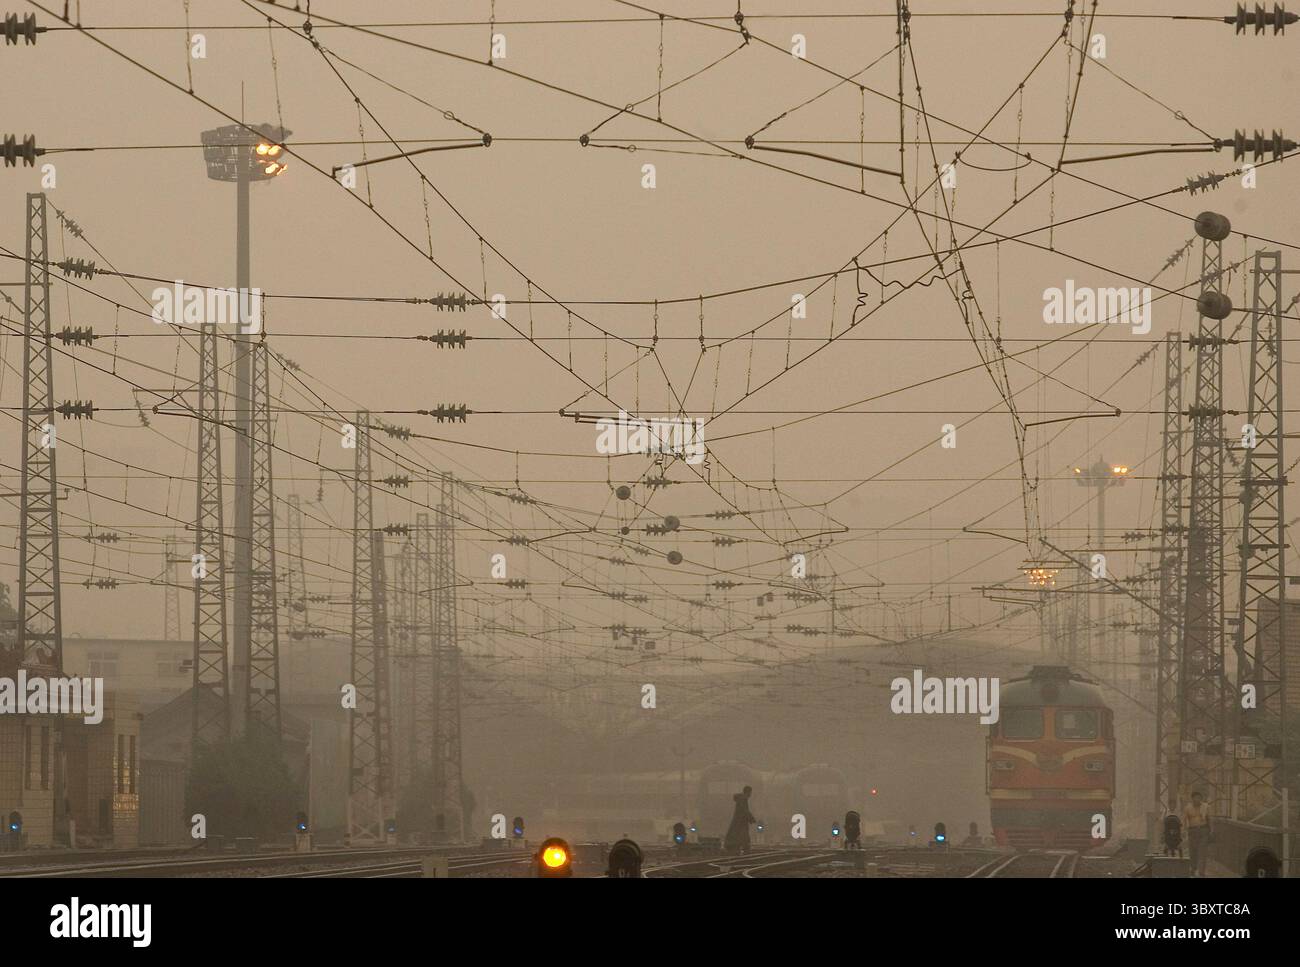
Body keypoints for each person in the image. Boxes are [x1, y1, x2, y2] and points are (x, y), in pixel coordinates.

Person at [1181, 791, 1211, 877]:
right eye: (1195, 797)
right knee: (1193, 851)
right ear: (1192, 798)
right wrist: (1184, 831)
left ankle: (1201, 871)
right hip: (1192, 831)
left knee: (1202, 851)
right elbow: (1184, 820)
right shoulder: (1188, 808)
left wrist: (1211, 830)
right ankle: (1193, 869)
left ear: (1201, 798)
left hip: (1203, 830)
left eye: (1199, 797)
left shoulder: (1206, 807)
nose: (1197, 799)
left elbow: (1209, 818)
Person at [723, 785, 755, 854]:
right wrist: (751, 818)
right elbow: (744, 810)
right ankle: (744, 849)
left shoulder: (741, 798)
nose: (751, 794)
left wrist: (750, 817)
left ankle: (737, 847)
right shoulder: (743, 799)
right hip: (741, 821)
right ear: (748, 792)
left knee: (737, 834)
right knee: (742, 834)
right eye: (750, 792)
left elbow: (744, 810)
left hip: (739, 820)